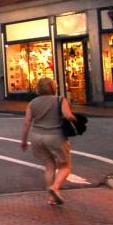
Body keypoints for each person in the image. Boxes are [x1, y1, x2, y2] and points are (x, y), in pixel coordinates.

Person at [19, 77, 77, 205]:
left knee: (49, 165)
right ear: (53, 87)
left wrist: (23, 140)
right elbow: (67, 115)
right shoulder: (60, 100)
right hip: (55, 136)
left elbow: (26, 122)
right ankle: (55, 187)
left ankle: (51, 197)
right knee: (65, 166)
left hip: (37, 137)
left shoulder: (32, 103)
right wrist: (76, 119)